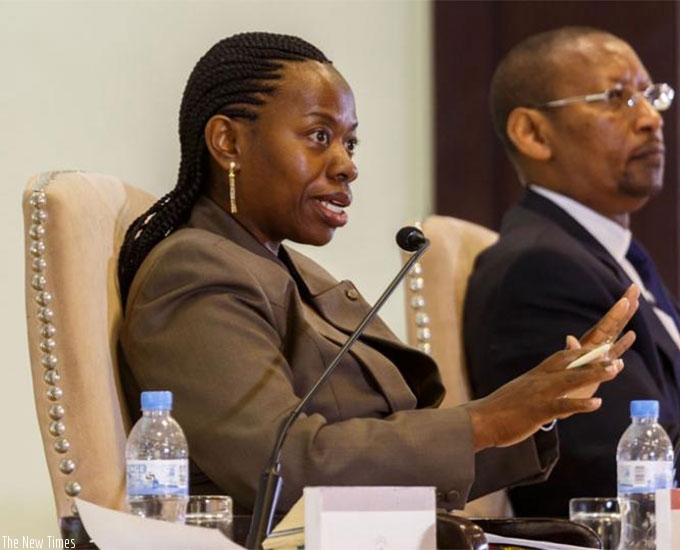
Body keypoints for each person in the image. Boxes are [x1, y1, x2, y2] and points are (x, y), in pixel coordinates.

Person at [116, 32, 639, 518]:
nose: (346, 165)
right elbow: (278, 467)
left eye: (349, 143)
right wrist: (485, 421)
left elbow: (393, 456)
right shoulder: (194, 271)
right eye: (319, 135)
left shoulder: (286, 269)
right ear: (228, 142)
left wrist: (533, 406)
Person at [463, 26, 680, 545]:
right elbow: (637, 470)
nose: (651, 117)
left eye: (652, 96)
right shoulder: (539, 269)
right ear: (533, 133)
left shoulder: (610, 257)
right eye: (616, 98)